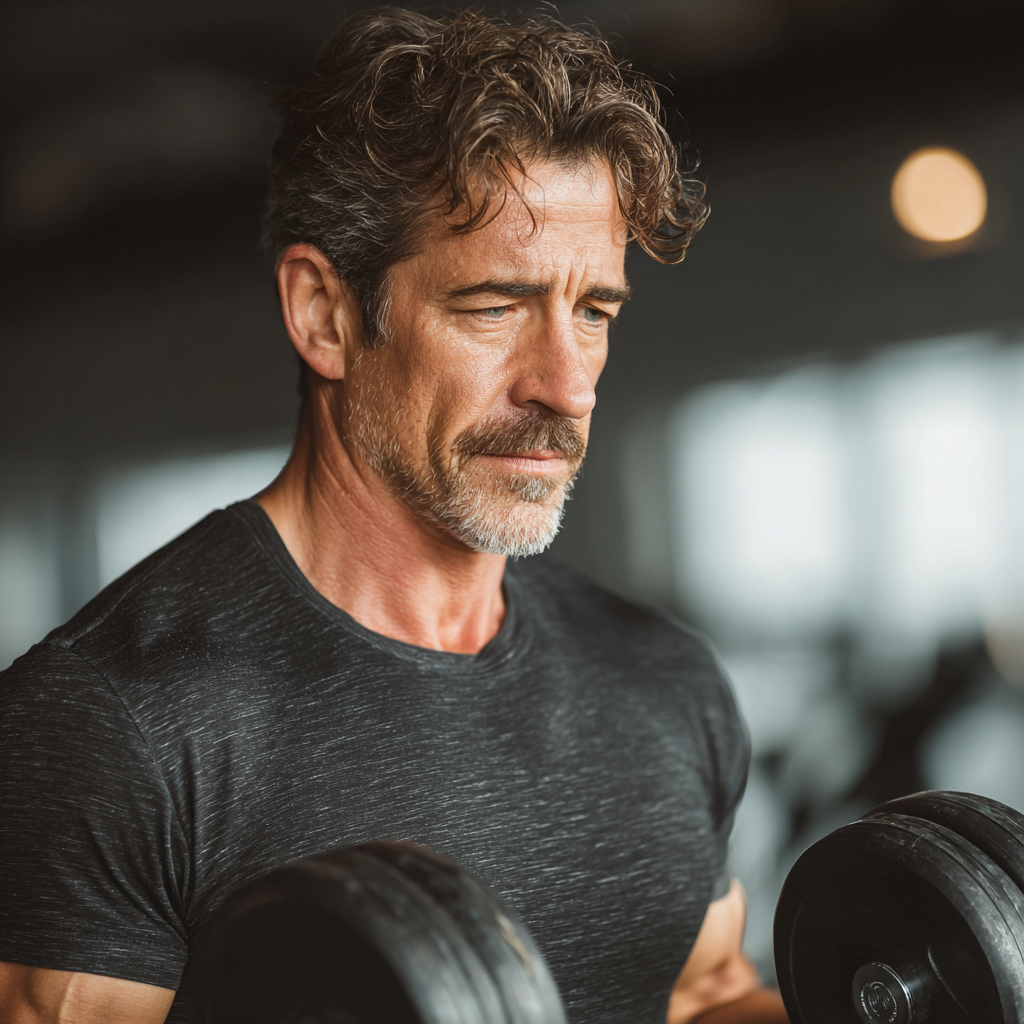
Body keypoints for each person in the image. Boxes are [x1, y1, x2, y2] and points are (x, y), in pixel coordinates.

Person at [0, 10, 788, 1024]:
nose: (566, 385)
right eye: (493, 307)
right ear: (325, 314)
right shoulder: (118, 722)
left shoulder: (662, 680)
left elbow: (700, 997)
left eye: (593, 311)